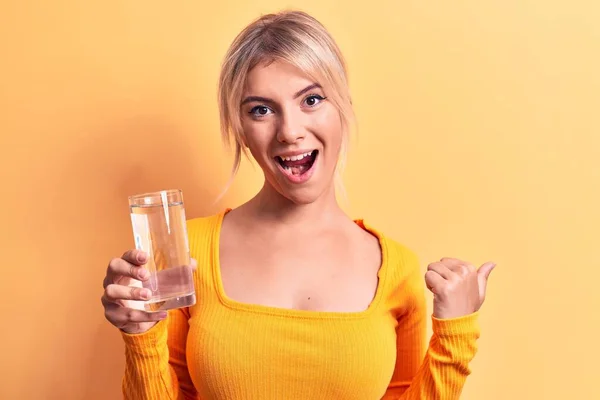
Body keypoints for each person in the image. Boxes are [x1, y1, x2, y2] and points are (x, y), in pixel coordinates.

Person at [101, 10, 496, 400]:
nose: (289, 131)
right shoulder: (184, 253)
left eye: (311, 99)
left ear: (341, 107)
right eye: (261, 109)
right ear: (240, 128)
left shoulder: (395, 268)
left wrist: (455, 337)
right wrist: (140, 335)